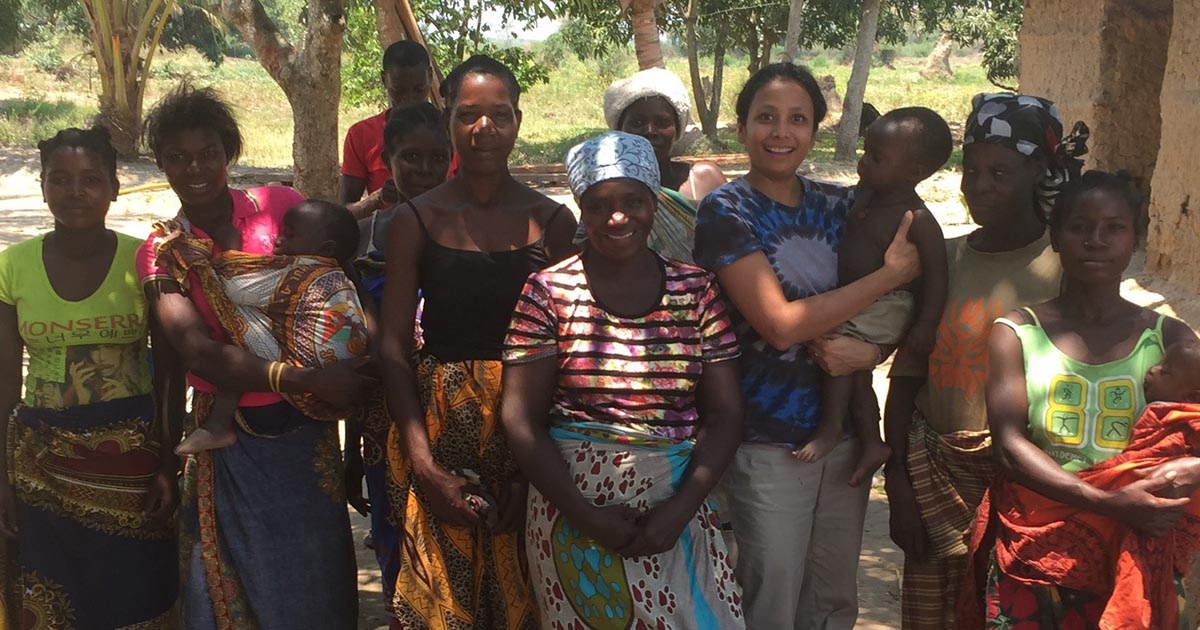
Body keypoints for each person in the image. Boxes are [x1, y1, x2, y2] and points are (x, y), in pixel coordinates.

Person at [692, 62, 920, 629]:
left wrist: (872, 353)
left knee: (832, 598)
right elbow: (780, 325)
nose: (781, 132)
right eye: (765, 117)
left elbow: (903, 301)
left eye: (798, 118)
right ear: (742, 128)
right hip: (765, 439)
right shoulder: (728, 211)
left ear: (816, 128)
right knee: (770, 594)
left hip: (842, 435)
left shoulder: (839, 206)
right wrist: (885, 278)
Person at [138, 84, 367, 627]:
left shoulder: (282, 209)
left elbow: (338, 291)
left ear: (229, 153)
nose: (195, 168)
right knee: (230, 583)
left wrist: (357, 368)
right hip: (229, 439)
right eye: (178, 157)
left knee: (313, 577)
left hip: (303, 430)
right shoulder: (164, 248)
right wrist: (165, 461)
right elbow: (188, 353)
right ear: (161, 163)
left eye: (209, 154)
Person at [500, 131, 745, 628]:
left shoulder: (694, 290)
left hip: (675, 507)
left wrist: (678, 511)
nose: (617, 218)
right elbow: (521, 419)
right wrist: (586, 515)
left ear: (654, 202)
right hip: (571, 510)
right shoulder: (548, 292)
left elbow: (727, 414)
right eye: (598, 205)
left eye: (633, 201)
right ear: (580, 209)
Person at [376, 54, 577, 629]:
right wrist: (424, 464)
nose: (484, 128)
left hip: (531, 425)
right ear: (448, 120)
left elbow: (568, 348)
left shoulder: (552, 222)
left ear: (518, 119)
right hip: (442, 427)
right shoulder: (416, 219)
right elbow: (394, 348)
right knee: (443, 598)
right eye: (468, 114)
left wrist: (531, 467)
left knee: (527, 594)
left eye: (499, 114)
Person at [955, 170, 1200, 629]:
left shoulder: (1168, 339)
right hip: (1035, 549)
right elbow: (1009, 445)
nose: (1096, 240)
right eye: (1079, 227)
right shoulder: (1018, 332)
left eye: (1115, 227)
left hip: (1133, 546)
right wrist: (1106, 501)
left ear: (1135, 239)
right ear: (1055, 237)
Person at [882, 92, 1089, 629]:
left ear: (1038, 171)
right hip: (935, 480)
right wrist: (899, 484)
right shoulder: (942, 260)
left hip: (1024, 486)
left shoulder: (1063, 267)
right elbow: (905, 381)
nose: (979, 185)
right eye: (971, 171)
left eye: (1000, 172)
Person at [0, 126, 179, 628]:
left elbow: (169, 370)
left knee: (136, 592)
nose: (75, 192)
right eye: (59, 179)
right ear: (42, 186)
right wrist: (2, 479)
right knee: (52, 597)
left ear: (114, 187)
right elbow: (4, 384)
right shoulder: (11, 267)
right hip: (41, 464)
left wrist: (169, 461)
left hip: (133, 464)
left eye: (91, 180)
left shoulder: (144, 260)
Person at [796, 107, 951, 487]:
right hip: (863, 299)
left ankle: (832, 426)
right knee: (856, 373)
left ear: (914, 172)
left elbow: (937, 275)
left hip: (889, 303)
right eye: (866, 151)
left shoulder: (918, 219)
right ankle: (871, 441)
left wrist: (926, 324)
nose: (864, 163)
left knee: (837, 349)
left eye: (877, 158)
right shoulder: (864, 196)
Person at [344, 99, 453, 612]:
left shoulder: (470, 227)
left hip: (457, 408)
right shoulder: (365, 237)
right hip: (381, 416)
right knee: (394, 537)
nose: (425, 170)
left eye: (437, 158)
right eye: (412, 158)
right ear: (387, 158)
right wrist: (349, 456)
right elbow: (354, 341)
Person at [156, 199, 369, 455]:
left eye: (289, 235)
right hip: (345, 381)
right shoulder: (338, 277)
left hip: (319, 380)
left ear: (324, 248)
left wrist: (230, 248)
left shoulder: (300, 272)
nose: (278, 241)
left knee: (238, 319)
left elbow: (234, 286)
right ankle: (219, 422)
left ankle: (218, 424)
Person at [589, 67, 726, 263]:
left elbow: (736, 246)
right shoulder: (604, 188)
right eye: (637, 122)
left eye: (662, 122)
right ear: (620, 131)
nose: (650, 131)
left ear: (677, 128)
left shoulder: (704, 179)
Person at [340, 40, 433, 220]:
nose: (409, 100)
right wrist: (378, 199)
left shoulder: (451, 132)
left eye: (419, 89)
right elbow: (344, 213)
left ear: (430, 76)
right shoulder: (361, 135)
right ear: (384, 80)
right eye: (398, 90)